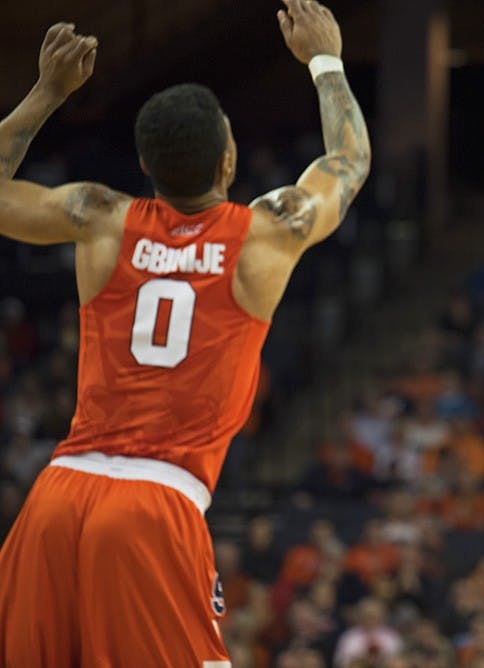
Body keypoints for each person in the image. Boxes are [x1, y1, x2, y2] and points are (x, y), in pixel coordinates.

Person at [0, 1, 370, 665]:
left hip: (56, 496)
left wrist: (46, 92)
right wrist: (325, 59)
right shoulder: (267, 232)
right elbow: (350, 159)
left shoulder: (98, 216)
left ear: (146, 162)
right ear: (228, 161)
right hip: (154, 500)